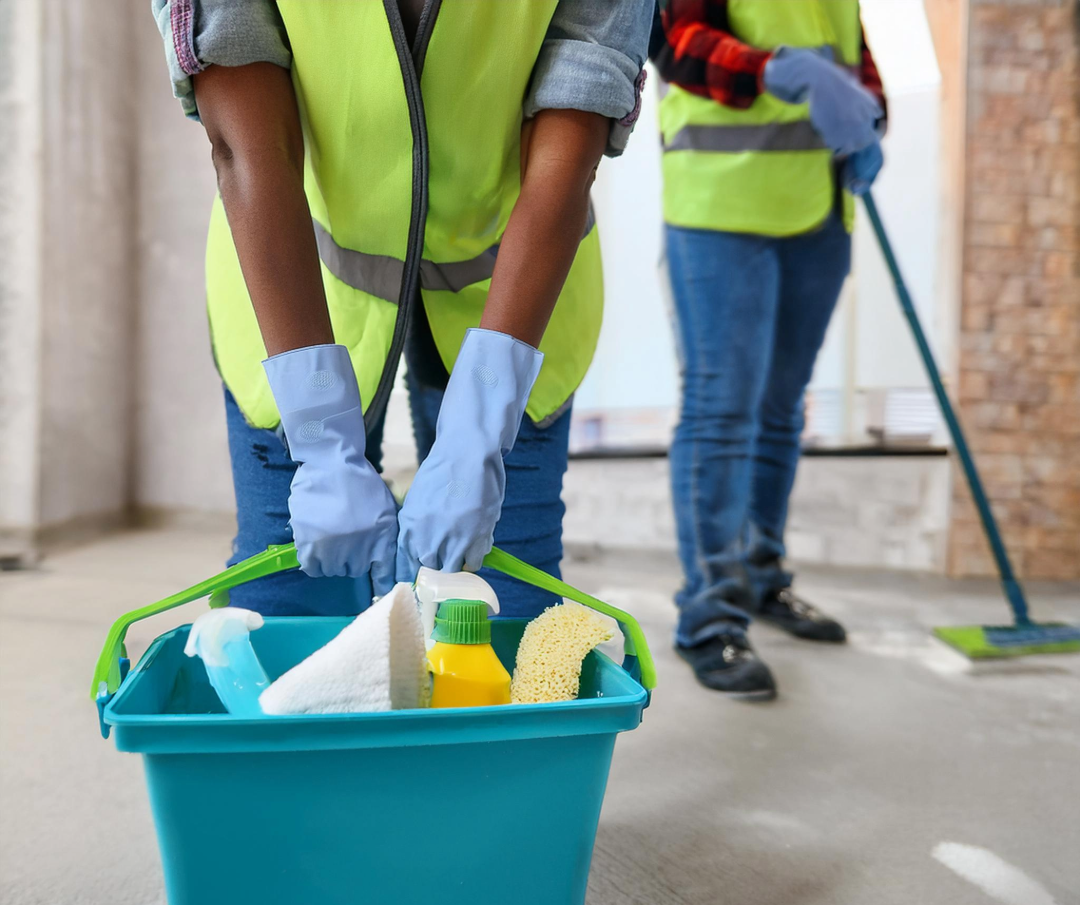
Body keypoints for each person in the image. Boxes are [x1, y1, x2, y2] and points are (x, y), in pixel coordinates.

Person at [152, 0, 652, 618]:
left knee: (506, 614)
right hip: (301, 282)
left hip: (512, 289)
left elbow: (569, 151)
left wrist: (480, 433)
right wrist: (318, 434)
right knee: (289, 611)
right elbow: (244, 142)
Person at [651, 0, 887, 699]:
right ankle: (709, 617)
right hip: (720, 207)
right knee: (722, 412)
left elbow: (852, 55)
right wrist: (774, 70)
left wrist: (870, 115)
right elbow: (677, 43)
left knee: (782, 409)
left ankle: (760, 576)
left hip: (819, 207)